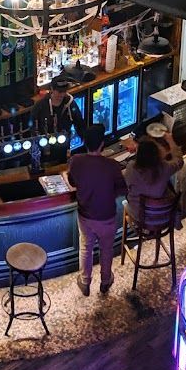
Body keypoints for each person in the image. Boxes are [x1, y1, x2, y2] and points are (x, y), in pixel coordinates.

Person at [67, 123, 127, 296]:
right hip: (107, 216)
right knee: (106, 249)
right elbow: (123, 189)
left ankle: (85, 281)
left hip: (85, 215)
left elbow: (72, 181)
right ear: (102, 144)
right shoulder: (112, 165)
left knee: (86, 247)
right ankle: (105, 281)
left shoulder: (76, 161)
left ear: (85, 143)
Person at [122, 132, 184, 223]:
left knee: (124, 201)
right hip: (163, 215)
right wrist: (170, 140)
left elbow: (126, 186)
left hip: (139, 216)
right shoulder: (165, 167)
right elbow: (179, 161)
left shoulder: (131, 168)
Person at [31, 75, 85, 164]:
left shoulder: (70, 103)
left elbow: (79, 123)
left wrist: (86, 143)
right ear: (52, 89)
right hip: (45, 146)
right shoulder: (40, 105)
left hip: (63, 145)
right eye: (59, 91)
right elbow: (32, 125)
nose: (62, 95)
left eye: (64, 91)